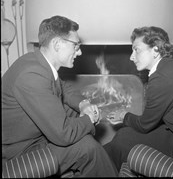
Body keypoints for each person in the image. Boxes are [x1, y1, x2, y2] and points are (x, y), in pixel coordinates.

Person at [2, 15, 118, 177]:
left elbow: (65, 89)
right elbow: (63, 135)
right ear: (57, 44)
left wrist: (84, 105)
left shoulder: (38, 63)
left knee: (76, 115)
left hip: (35, 136)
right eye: (76, 45)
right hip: (21, 151)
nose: (80, 52)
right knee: (87, 148)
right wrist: (89, 119)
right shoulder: (32, 75)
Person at [104, 26, 173, 176]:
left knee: (122, 139)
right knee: (124, 136)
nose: (131, 57)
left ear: (155, 50)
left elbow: (144, 125)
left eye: (136, 50)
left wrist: (123, 115)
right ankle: (100, 160)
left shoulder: (160, 78)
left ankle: (99, 166)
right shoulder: (171, 68)